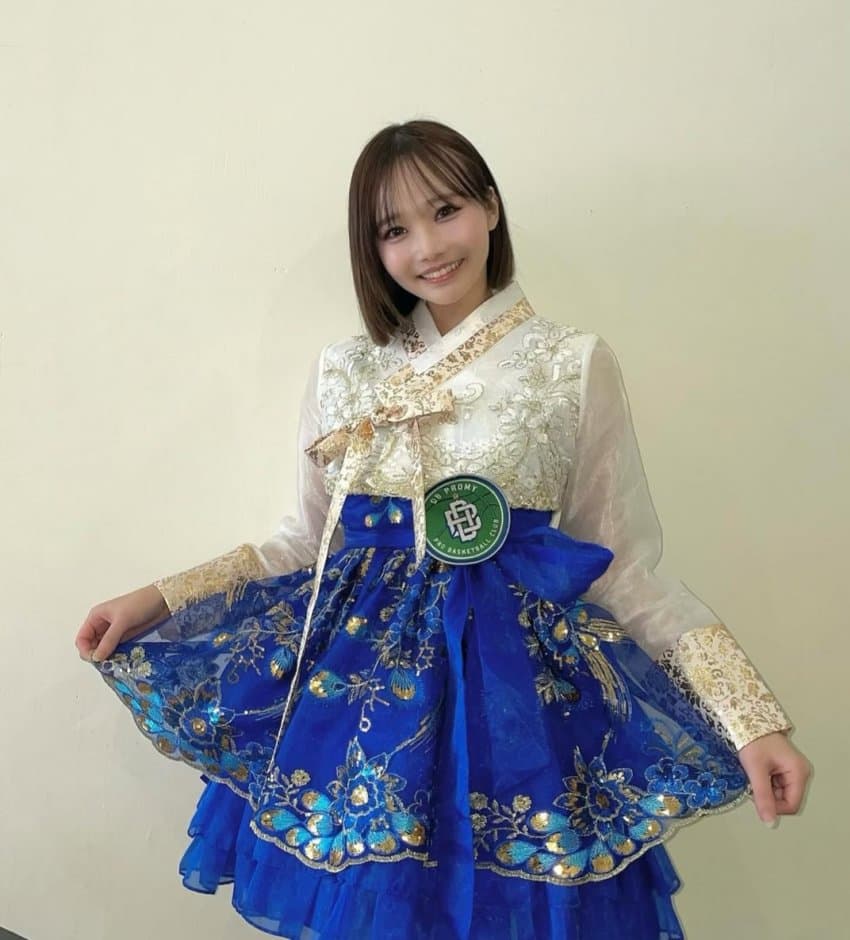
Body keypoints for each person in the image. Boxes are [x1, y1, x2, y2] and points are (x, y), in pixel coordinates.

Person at [76, 119, 811, 940]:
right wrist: (160, 598)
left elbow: (623, 567)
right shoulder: (344, 369)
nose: (427, 247)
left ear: (490, 207)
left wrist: (751, 721)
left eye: (446, 210)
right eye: (394, 230)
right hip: (364, 714)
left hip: (516, 718)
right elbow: (303, 544)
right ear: (373, 248)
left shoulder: (571, 364)